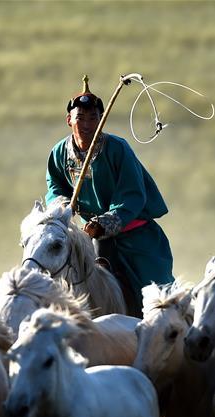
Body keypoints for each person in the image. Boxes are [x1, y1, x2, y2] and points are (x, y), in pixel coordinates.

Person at [45, 76, 174, 317]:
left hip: (134, 235)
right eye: (80, 118)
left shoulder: (118, 149)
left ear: (101, 121)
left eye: (93, 118)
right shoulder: (59, 153)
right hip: (88, 236)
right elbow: (55, 187)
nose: (87, 124)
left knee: (160, 298)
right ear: (69, 120)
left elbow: (133, 194)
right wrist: (62, 207)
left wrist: (105, 222)